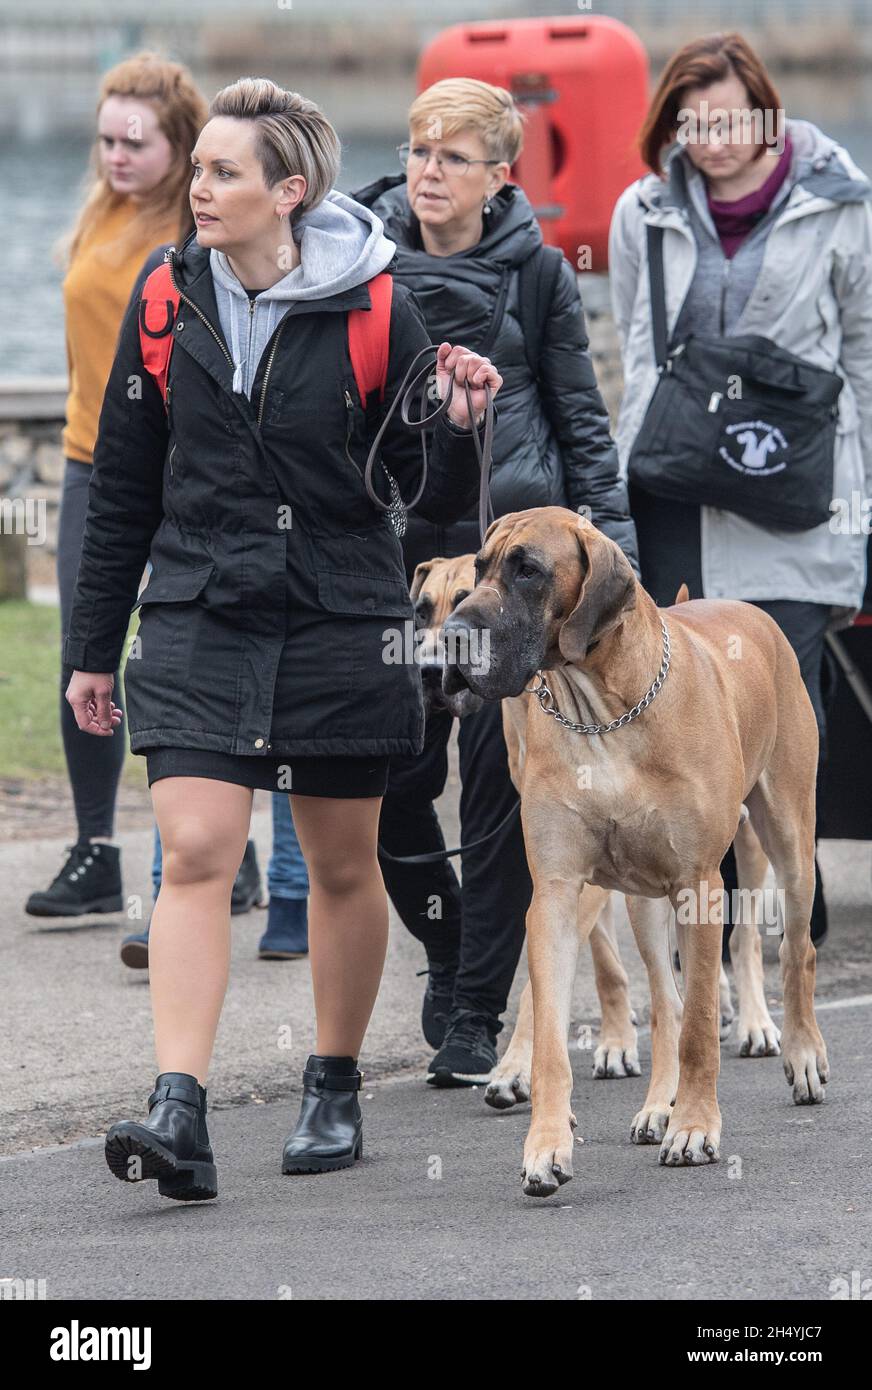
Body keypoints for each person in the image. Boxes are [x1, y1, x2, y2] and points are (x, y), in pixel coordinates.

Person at [63, 78, 502, 1198]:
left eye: (221, 173)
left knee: (347, 862)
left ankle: (333, 1080)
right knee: (199, 850)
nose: (197, 189)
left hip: (338, 611)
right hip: (203, 607)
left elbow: (414, 493)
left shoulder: (376, 307)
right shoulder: (167, 296)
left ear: (287, 192)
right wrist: (88, 647)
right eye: (197, 168)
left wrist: (453, 425)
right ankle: (181, 1108)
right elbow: (122, 488)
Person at [353, 77, 638, 1085]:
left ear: (497, 175)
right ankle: (446, 944)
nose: (426, 171)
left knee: (493, 781)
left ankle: (477, 1006)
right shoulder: (361, 260)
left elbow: (579, 415)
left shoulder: (538, 273)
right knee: (389, 773)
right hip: (392, 558)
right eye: (417, 149)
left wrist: (616, 558)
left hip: (506, 578)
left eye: (452, 156)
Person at [609, 31, 872, 952]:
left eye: (726, 120)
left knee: (790, 692)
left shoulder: (844, 205)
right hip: (677, 488)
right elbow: (637, 355)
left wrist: (861, 509)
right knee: (684, 699)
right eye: (691, 124)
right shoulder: (641, 210)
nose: (710, 140)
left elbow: (865, 356)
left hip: (796, 487)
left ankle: (794, 889)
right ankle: (712, 920)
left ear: (766, 108)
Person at [27, 53, 206, 923]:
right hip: (88, 460)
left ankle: (218, 852)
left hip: (179, 473)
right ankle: (95, 851)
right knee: (82, 654)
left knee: (188, 660)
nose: (116, 157)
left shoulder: (199, 231)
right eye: (105, 141)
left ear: (181, 145)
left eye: (135, 142)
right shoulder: (101, 214)